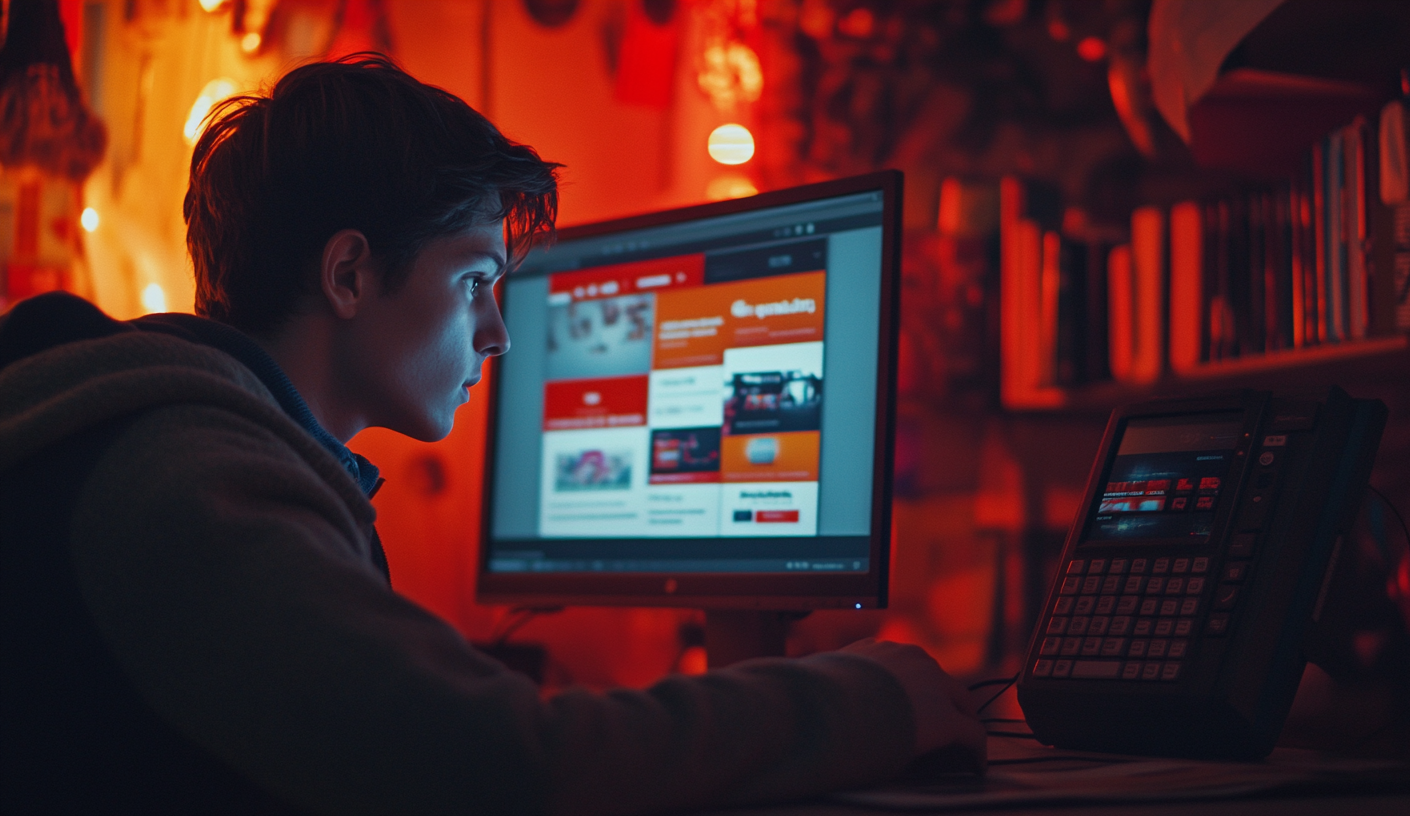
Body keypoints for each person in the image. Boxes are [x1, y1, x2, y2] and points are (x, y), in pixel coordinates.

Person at [0, 55, 984, 814]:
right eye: (475, 279)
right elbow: (493, 765)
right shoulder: (187, 481)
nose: (498, 332)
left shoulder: (173, 439)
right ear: (348, 276)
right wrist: (868, 698)